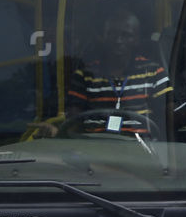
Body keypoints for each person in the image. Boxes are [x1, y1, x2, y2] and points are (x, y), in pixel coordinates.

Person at [61, 9, 175, 138]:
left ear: (136, 39)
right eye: (112, 34)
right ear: (103, 37)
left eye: (126, 35)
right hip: (94, 148)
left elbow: (168, 112)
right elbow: (73, 119)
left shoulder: (153, 72)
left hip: (139, 150)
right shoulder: (84, 75)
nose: (118, 40)